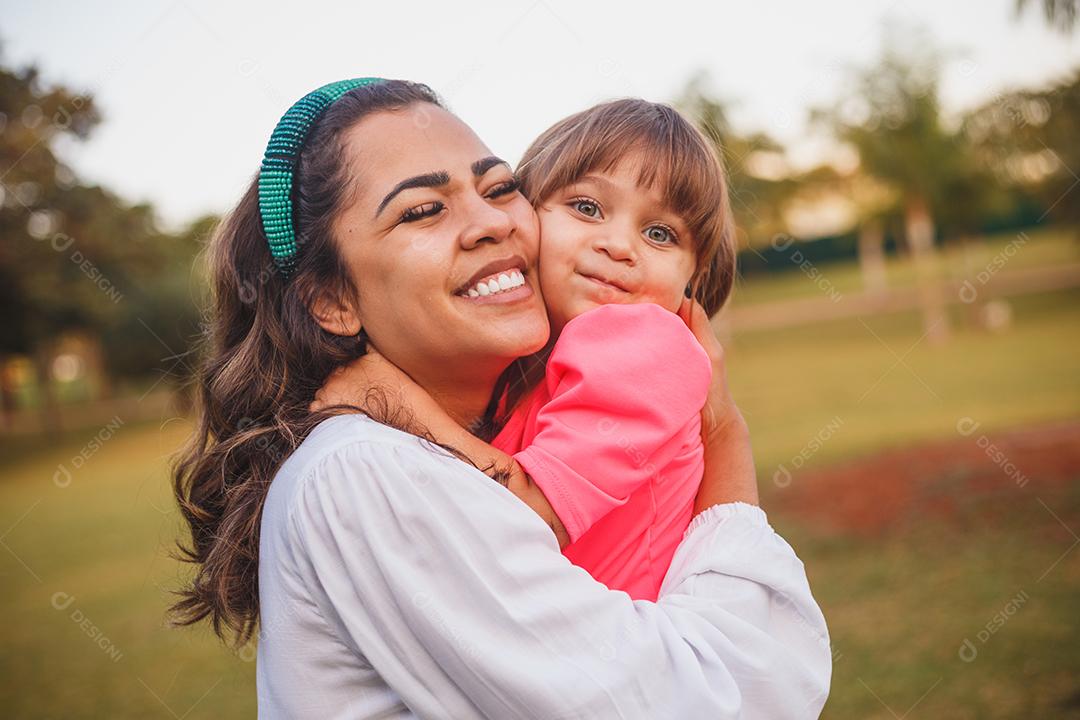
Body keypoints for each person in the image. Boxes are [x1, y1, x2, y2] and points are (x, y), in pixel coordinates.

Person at [171, 78, 832, 719]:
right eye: (423, 210)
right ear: (332, 300)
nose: (490, 223)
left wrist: (722, 433)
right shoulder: (363, 470)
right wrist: (725, 440)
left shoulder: (467, 422)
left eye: (498, 189)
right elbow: (736, 698)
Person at [318, 98, 737, 602]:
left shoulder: (644, 344)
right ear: (529, 212)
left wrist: (393, 399)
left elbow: (525, 520)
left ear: (694, 277)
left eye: (660, 234)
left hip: (614, 652)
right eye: (587, 208)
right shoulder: (540, 363)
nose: (620, 245)